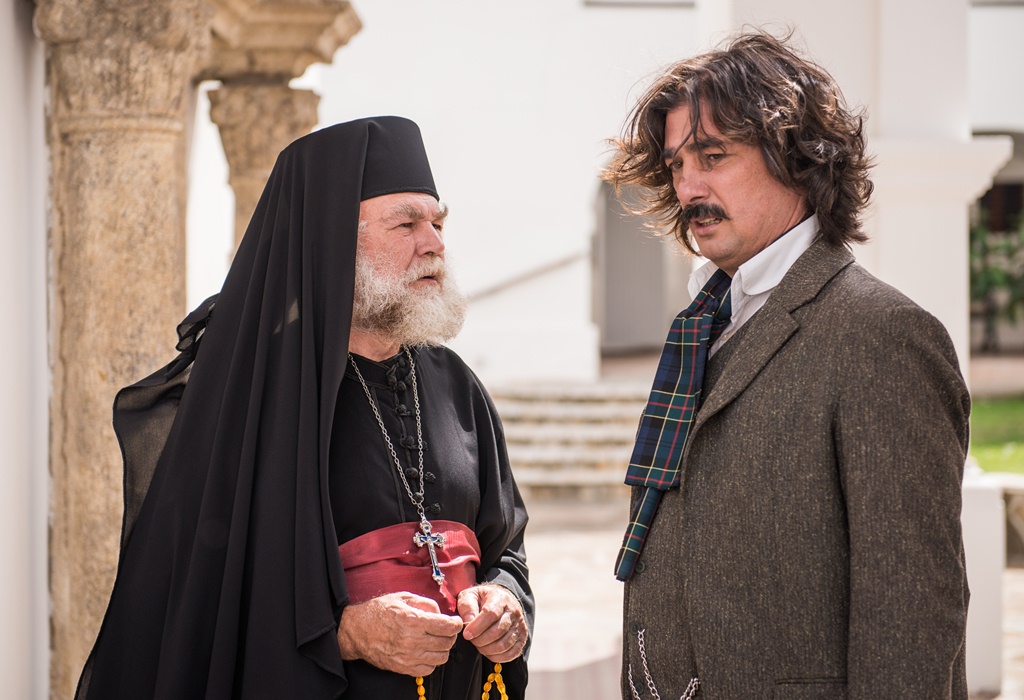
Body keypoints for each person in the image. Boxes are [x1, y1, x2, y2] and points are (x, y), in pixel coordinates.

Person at [76, 116, 532, 699]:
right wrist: (345, 632)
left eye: (438, 221)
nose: (435, 244)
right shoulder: (252, 394)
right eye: (407, 223)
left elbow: (506, 545)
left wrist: (505, 600)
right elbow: (205, 596)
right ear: (334, 238)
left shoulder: (457, 385)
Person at [603, 31, 970, 699]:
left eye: (713, 156)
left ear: (797, 157)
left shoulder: (883, 336)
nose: (688, 186)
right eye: (678, 164)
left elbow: (912, 613)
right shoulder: (707, 321)